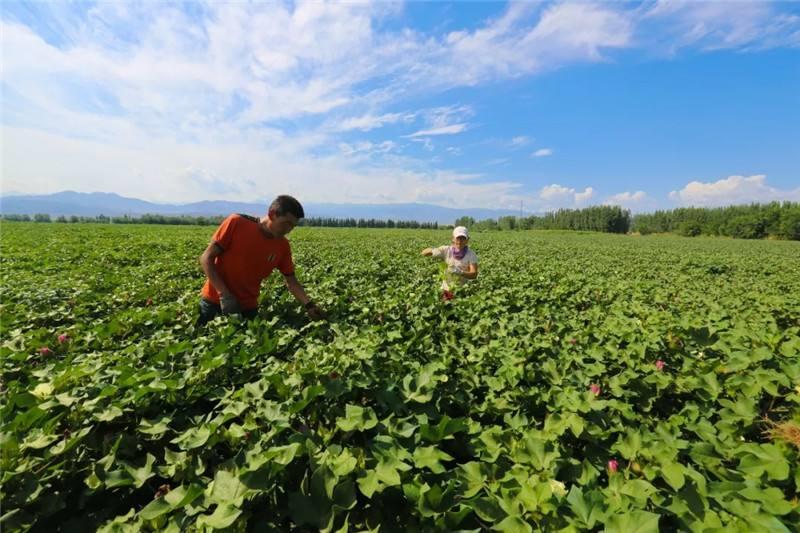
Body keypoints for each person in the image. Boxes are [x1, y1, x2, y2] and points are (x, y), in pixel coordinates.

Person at [197, 195, 325, 325]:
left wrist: (309, 305)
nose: (288, 230)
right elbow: (206, 258)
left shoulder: (282, 246)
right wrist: (224, 295)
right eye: (286, 223)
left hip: (248, 308)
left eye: (292, 226)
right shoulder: (237, 222)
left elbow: (291, 281)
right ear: (272, 214)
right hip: (214, 302)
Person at [421, 226, 478, 296]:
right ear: (453, 239)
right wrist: (433, 250)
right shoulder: (446, 250)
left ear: (467, 240)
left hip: (461, 291)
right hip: (446, 290)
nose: (460, 241)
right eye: (458, 238)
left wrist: (461, 272)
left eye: (463, 238)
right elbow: (423, 253)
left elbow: (474, 275)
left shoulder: (471, 254)